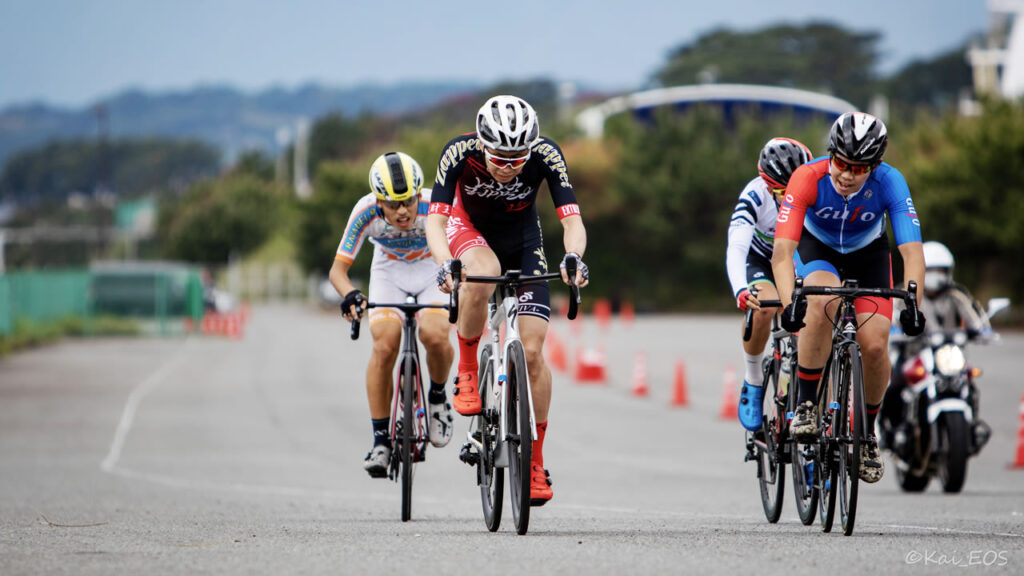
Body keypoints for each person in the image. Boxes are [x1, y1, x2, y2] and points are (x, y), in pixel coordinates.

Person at [426, 95, 589, 506]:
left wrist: (573, 257)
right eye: (498, 157)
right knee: (483, 276)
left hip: (523, 239)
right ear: (482, 143)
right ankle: (466, 367)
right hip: (470, 231)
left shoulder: (547, 155)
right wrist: (446, 263)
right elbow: (437, 218)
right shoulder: (459, 152)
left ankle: (535, 461)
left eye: (517, 159)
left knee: (533, 354)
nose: (507, 167)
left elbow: (571, 219)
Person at [771, 112, 926, 484]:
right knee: (820, 303)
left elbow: (912, 253)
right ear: (831, 155)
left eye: (859, 168)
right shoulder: (807, 177)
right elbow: (781, 252)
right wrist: (790, 300)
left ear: (875, 166)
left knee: (875, 346)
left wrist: (913, 302)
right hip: (817, 248)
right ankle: (807, 404)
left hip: (868, 254)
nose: (846, 174)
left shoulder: (891, 182)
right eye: (841, 163)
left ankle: (868, 435)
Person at [330, 151, 455, 478]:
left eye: (409, 201)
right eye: (393, 204)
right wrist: (351, 295)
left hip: (431, 270)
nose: (403, 211)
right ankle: (381, 440)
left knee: (435, 335)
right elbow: (338, 271)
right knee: (384, 346)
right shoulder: (365, 212)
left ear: (418, 194)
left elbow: (459, 252)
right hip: (389, 272)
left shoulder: (435, 206)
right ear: (378, 201)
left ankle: (438, 397)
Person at [726, 137, 812, 431]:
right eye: (780, 191)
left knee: (813, 316)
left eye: (794, 190)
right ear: (767, 184)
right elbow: (736, 247)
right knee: (763, 306)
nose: (789, 198)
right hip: (761, 261)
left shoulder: (817, 187)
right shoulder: (755, 195)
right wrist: (740, 289)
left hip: (797, 259)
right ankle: (753, 379)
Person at [880, 240, 993, 449]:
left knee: (969, 381)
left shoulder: (957, 295)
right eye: (929, 271)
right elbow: (891, 320)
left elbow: (976, 320)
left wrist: (983, 330)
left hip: (947, 356)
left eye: (940, 271)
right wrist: (895, 330)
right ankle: (889, 430)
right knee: (893, 386)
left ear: (948, 272)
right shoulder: (904, 294)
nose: (935, 276)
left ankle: (972, 426)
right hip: (912, 356)